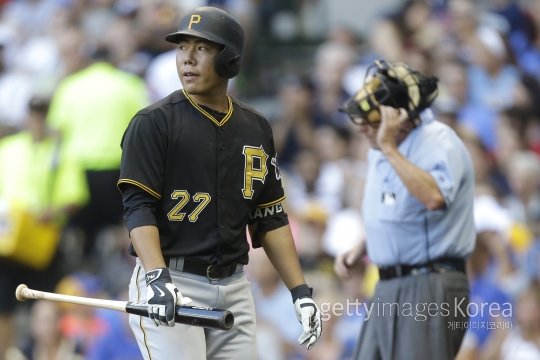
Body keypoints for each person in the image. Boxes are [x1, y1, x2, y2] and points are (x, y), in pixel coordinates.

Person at [117, 6, 321, 360]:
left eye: (202, 48)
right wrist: (156, 278)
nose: (188, 59)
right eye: (182, 47)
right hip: (172, 280)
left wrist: (300, 291)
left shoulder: (255, 127)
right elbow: (138, 209)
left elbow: (270, 215)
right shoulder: (153, 123)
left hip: (234, 286)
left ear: (229, 60)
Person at [334, 59, 476, 360]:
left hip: (431, 282)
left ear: (399, 117)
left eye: (370, 120)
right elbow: (396, 210)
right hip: (389, 285)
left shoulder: (438, 140)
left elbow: (434, 198)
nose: (362, 129)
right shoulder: (382, 148)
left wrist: (388, 147)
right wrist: (363, 246)